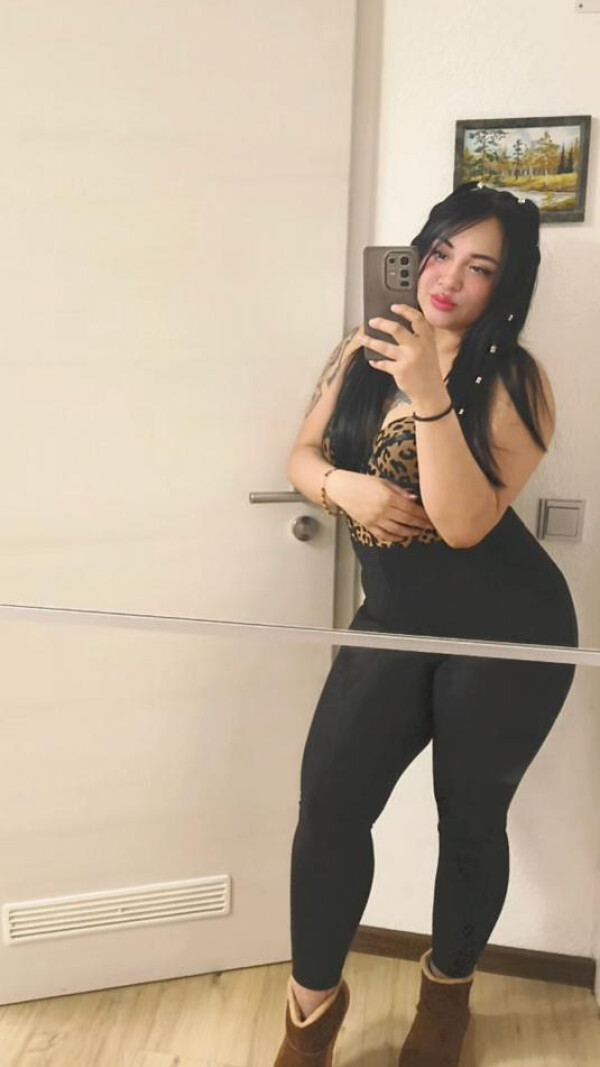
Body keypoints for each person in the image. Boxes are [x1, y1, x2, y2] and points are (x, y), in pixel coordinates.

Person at [273, 181, 579, 1067]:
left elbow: (464, 523)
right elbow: (300, 455)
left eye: (479, 267)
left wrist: (428, 390)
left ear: (504, 287)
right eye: (440, 252)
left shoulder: (518, 381)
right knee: (329, 811)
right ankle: (310, 1014)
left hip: (508, 635)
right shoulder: (359, 350)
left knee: (470, 821)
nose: (448, 279)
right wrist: (345, 486)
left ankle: (446, 1001)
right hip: (394, 620)